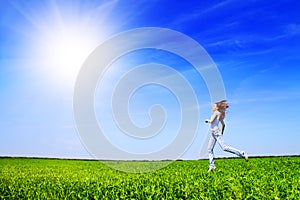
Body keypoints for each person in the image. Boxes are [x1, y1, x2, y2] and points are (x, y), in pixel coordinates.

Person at [205, 100, 248, 172]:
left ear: (217, 107)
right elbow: (223, 125)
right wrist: (221, 132)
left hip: (216, 133)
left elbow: (212, 121)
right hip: (214, 133)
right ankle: (212, 166)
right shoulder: (219, 114)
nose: (212, 107)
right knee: (209, 149)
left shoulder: (216, 113)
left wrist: (207, 121)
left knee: (224, 148)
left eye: (214, 106)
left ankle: (242, 153)